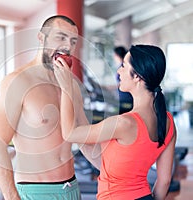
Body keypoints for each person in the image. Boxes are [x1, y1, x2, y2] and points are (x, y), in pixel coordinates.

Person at [0, 15, 93, 200]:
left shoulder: (71, 85)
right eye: (60, 37)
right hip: (36, 190)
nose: (67, 46)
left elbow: (84, 139)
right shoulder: (17, 82)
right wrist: (11, 197)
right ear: (41, 38)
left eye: (73, 40)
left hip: (72, 188)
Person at [54, 44, 177, 200]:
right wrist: (76, 104)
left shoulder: (124, 123)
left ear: (137, 76)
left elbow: (69, 133)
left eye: (124, 66)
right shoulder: (168, 122)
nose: (119, 71)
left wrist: (66, 88)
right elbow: (164, 182)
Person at [113, 46, 133, 114]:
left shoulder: (123, 67)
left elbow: (121, 84)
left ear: (117, 55)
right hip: (123, 98)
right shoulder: (122, 67)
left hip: (125, 99)